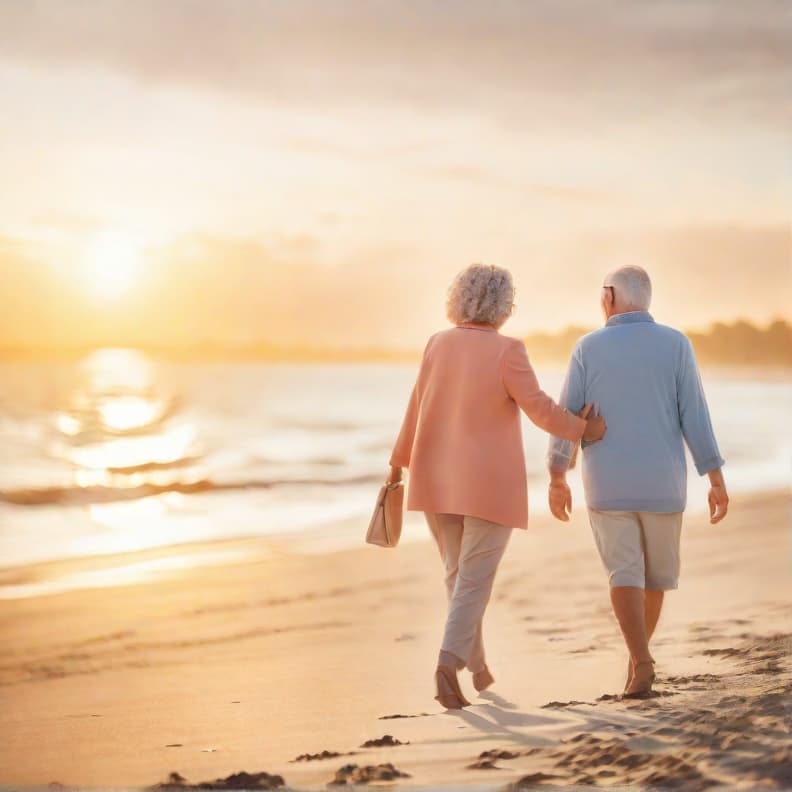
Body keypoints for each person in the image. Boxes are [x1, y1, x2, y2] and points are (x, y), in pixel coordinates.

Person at [388, 263, 607, 709]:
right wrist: (582, 430)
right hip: (487, 484)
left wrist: (398, 464)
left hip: (434, 478)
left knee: (458, 576)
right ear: (502, 305)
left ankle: (480, 668)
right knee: (472, 580)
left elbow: (416, 407)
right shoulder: (507, 350)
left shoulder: (437, 343)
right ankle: (447, 667)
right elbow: (540, 408)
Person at [547, 265, 728, 697]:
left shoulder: (587, 347)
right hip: (663, 483)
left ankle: (640, 660)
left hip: (608, 482)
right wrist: (715, 477)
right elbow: (695, 416)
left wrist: (558, 473)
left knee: (622, 573)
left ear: (609, 297)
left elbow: (566, 413)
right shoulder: (676, 344)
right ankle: (639, 660)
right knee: (655, 577)